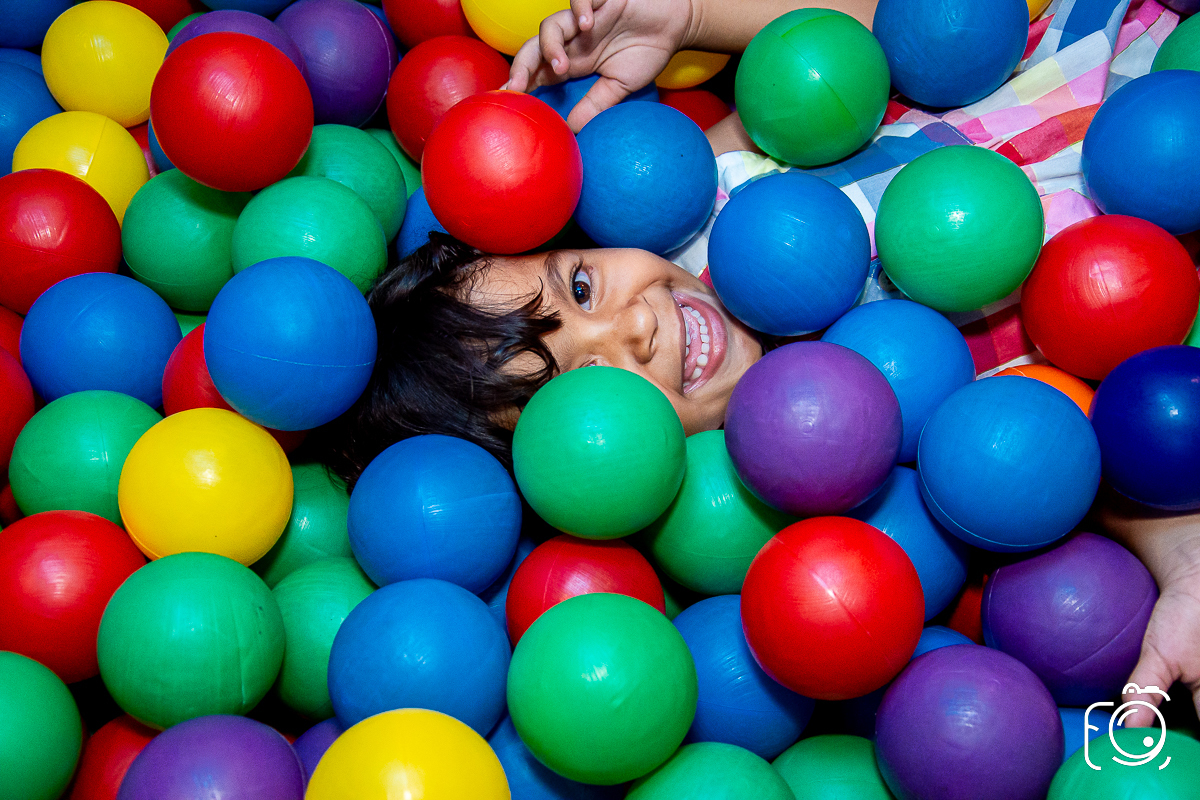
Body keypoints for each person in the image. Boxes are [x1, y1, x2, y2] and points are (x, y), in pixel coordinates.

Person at [326, 0, 1200, 729]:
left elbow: (883, 42)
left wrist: (698, 15)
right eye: (587, 390)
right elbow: (1078, 470)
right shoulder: (858, 476)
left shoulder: (719, 190)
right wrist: (1182, 552)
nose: (629, 328)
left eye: (583, 283)